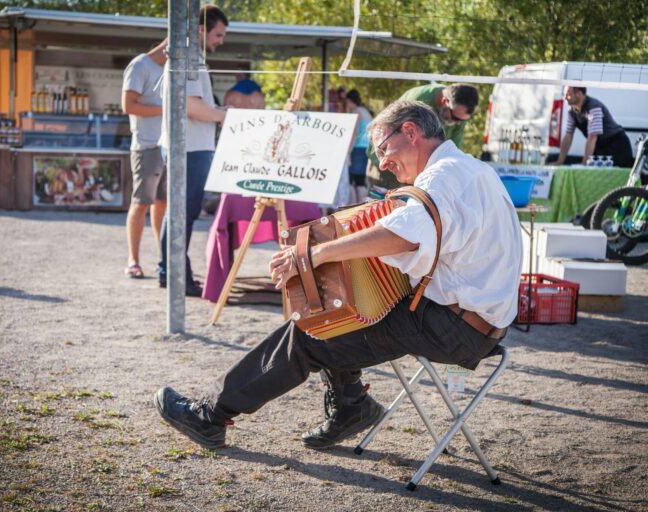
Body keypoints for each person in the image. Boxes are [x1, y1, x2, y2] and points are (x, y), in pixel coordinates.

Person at [153, 100, 522, 450]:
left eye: (383, 149)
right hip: (475, 321)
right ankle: (351, 406)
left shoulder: (443, 177)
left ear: (410, 132)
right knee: (336, 310)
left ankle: (211, 415)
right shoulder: (470, 169)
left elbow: (405, 236)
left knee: (310, 332)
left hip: (453, 327)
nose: (383, 162)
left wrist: (316, 254)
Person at [157, 4, 228, 295]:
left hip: (189, 145)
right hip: (189, 147)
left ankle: (173, 272)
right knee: (182, 214)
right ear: (201, 29)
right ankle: (174, 275)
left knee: (180, 213)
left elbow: (196, 105)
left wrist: (220, 112)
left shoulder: (188, 55)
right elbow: (191, 106)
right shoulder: (188, 56)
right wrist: (226, 116)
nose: (221, 41)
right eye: (218, 34)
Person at [366, 83, 479, 192]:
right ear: (445, 101)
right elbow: (384, 132)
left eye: (463, 120)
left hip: (415, 171)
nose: (458, 123)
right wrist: (385, 160)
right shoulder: (419, 99)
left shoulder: (458, 111)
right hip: (389, 167)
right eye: (455, 118)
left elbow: (454, 147)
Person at [122, 39, 168, 278]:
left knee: (162, 203)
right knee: (140, 203)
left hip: (167, 146)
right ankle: (133, 260)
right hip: (146, 145)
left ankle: (163, 258)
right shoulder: (140, 65)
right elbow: (128, 105)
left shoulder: (168, 68)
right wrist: (168, 109)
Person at [553, 86, 634, 168]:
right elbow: (568, 135)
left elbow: (592, 136)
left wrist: (584, 164)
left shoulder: (593, 106)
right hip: (600, 146)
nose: (565, 98)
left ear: (579, 94)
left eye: (568, 95)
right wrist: (559, 161)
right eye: (564, 94)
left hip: (617, 146)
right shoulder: (571, 111)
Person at [345, 89, 373, 203]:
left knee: (352, 181)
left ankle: (355, 207)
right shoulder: (365, 111)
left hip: (357, 149)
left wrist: (348, 152)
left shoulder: (356, 112)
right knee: (360, 181)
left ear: (349, 100)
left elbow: (354, 133)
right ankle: (360, 207)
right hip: (366, 148)